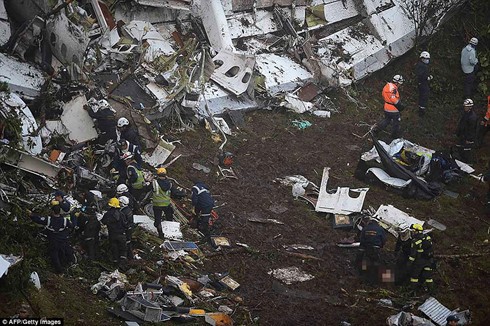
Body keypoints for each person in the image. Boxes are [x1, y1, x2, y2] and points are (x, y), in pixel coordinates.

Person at [30, 205, 75, 274]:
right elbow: (72, 226)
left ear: (52, 211)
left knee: (54, 255)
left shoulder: (49, 219)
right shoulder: (65, 221)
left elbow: (38, 220)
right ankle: (66, 266)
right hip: (63, 241)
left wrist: (31, 215)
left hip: (53, 241)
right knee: (62, 253)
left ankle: (59, 270)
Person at [375, 75, 404, 139]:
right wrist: (400, 105)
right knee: (396, 122)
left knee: (387, 120)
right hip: (393, 109)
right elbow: (394, 99)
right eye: (399, 84)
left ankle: (376, 130)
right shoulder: (393, 88)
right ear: (396, 83)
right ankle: (394, 137)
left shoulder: (387, 86)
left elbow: (383, 95)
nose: (399, 85)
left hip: (386, 107)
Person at [408, 223, 434, 293]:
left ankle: (413, 292)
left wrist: (409, 263)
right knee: (428, 277)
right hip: (429, 260)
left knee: (414, 276)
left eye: (413, 231)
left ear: (416, 231)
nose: (412, 232)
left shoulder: (415, 241)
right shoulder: (427, 237)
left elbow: (413, 255)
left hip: (419, 261)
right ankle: (431, 291)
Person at [101, 198, 127, 266]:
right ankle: (122, 265)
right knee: (123, 250)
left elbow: (103, 222)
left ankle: (115, 264)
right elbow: (125, 224)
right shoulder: (121, 214)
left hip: (112, 235)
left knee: (114, 250)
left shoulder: (107, 214)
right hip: (121, 234)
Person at [152, 167, 173, 238]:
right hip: (167, 204)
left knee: (158, 220)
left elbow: (146, 189)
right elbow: (174, 192)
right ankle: (170, 232)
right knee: (169, 217)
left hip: (157, 205)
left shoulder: (154, 183)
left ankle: (161, 235)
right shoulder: (169, 183)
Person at [456, 99, 477, 163]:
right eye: (464, 106)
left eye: (466, 106)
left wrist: (469, 139)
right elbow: (461, 124)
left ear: (470, 107)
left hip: (468, 139)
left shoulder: (472, 117)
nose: (465, 108)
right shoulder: (465, 114)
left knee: (467, 153)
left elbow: (472, 129)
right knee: (461, 151)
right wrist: (458, 133)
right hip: (462, 137)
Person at [416, 51, 433, 117]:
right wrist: (427, 78)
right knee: (423, 96)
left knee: (423, 96)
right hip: (423, 83)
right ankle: (421, 111)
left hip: (422, 83)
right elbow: (421, 75)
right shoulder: (422, 66)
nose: (427, 60)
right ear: (422, 58)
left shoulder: (422, 65)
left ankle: (422, 109)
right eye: (426, 59)